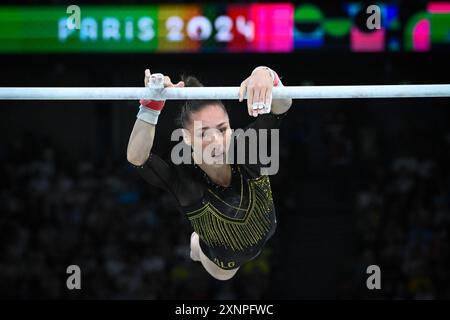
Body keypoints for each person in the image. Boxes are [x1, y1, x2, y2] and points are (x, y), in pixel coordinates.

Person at [127, 66, 292, 280]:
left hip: (267, 234)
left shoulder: (247, 147)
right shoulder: (183, 179)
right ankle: (196, 245)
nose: (215, 141)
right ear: (186, 137)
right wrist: (151, 106)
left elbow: (282, 107)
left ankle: (197, 241)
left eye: (222, 130)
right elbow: (137, 157)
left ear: (231, 130)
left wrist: (267, 74)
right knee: (223, 274)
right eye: (204, 133)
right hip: (222, 263)